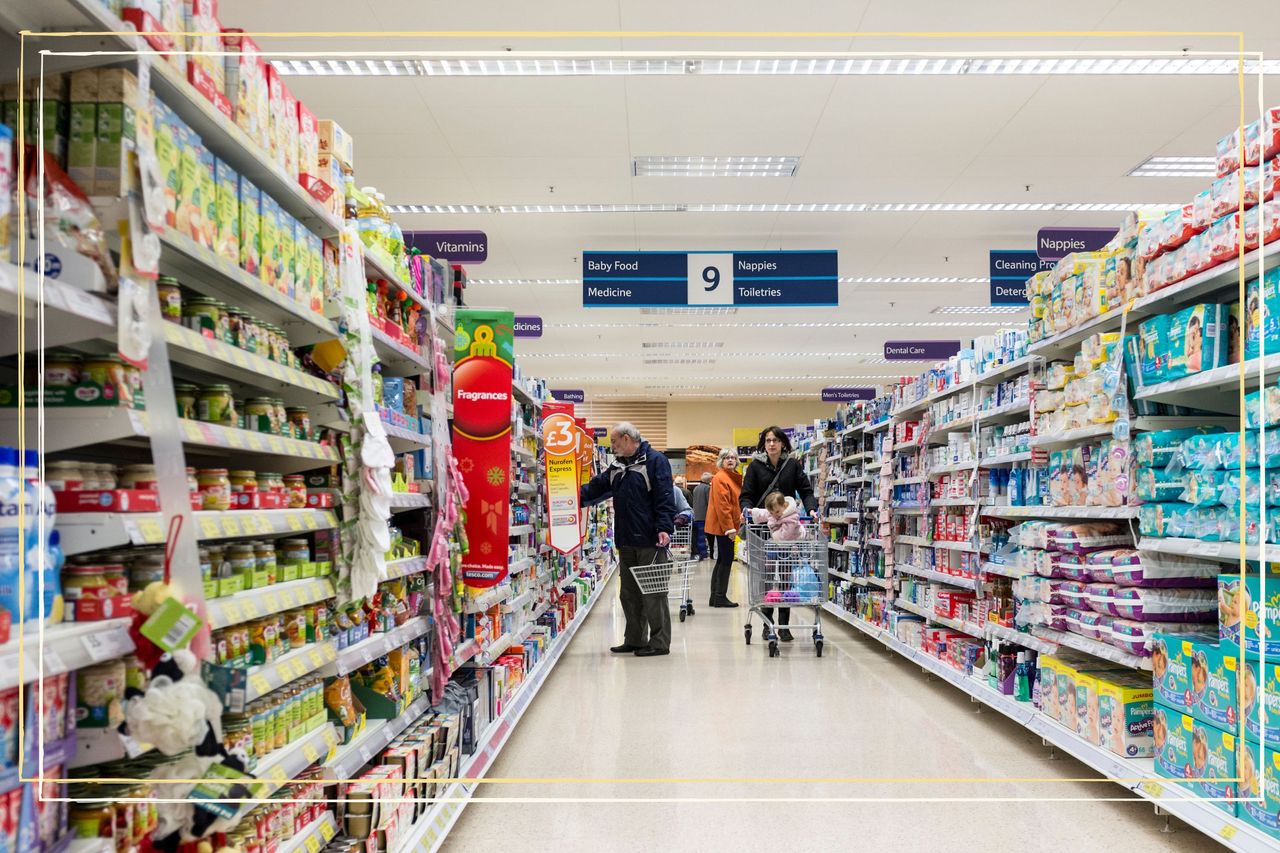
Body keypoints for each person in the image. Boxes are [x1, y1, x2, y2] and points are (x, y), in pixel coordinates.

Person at [580, 422, 675, 657]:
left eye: (613, 441)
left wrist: (664, 527)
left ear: (626, 438)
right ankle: (635, 639)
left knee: (653, 593)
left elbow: (664, 495)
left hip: (650, 539)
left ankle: (660, 642)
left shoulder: (654, 461)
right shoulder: (616, 466)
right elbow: (595, 489)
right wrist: (567, 497)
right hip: (626, 539)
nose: (611, 446)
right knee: (629, 594)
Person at [739, 425, 817, 641]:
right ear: (764, 445)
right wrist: (746, 510)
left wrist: (811, 509)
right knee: (765, 577)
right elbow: (746, 494)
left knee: (785, 577)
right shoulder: (755, 466)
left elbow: (806, 489)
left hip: (787, 531)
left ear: (783, 443)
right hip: (763, 530)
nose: (771, 444)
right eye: (767, 440)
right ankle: (768, 622)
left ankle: (783, 625)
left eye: (775, 440)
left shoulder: (792, 465)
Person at [703, 447, 743, 607]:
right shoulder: (722, 478)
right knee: (726, 560)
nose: (731, 460)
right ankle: (719, 596)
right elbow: (723, 505)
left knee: (722, 559)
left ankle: (715, 596)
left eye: (733, 457)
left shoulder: (730, 477)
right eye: (727, 457)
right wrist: (730, 528)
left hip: (724, 525)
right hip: (724, 526)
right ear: (721, 460)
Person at [690, 472, 712, 560]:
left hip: (696, 515)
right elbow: (709, 503)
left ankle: (699, 553)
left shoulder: (696, 488)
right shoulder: (708, 488)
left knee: (698, 536)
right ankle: (704, 554)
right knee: (703, 536)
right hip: (705, 516)